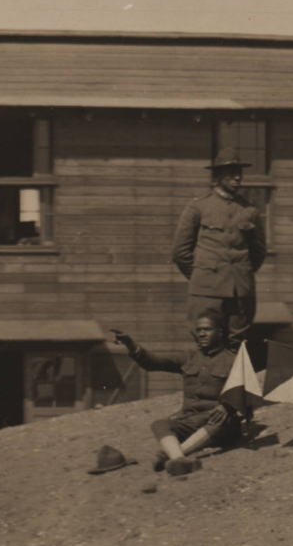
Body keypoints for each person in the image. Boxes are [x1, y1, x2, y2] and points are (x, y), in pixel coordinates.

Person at [108, 314, 252, 479]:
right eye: (199, 330)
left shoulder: (233, 361)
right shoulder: (189, 358)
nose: (202, 334)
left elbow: (247, 392)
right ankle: (179, 459)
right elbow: (154, 362)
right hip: (190, 422)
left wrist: (227, 406)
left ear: (219, 332)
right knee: (160, 424)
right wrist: (131, 345)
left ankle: (173, 455)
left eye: (207, 329)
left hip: (218, 424)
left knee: (222, 421)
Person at [169, 157, 269, 349]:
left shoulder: (250, 210)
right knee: (205, 344)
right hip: (206, 291)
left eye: (239, 172)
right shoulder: (198, 207)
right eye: (231, 173)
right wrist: (202, 276)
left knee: (237, 345)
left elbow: (259, 251)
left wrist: (241, 273)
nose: (238, 177)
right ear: (217, 176)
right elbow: (180, 252)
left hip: (240, 291)